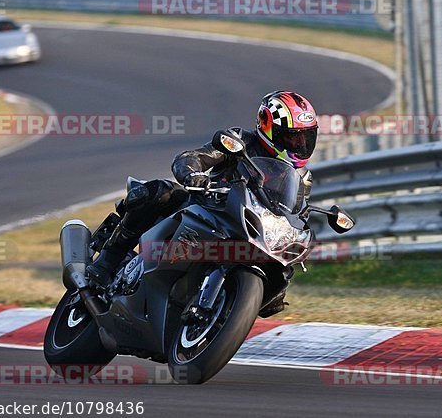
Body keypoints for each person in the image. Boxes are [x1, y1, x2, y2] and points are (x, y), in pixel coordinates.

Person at [85, 90, 319, 294]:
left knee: (282, 272)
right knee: (159, 192)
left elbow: (295, 214)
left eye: (305, 137)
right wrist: (192, 174)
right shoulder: (240, 141)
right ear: (269, 127)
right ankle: (108, 259)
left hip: (250, 229)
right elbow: (193, 157)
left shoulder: (302, 179)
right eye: (292, 136)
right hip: (207, 208)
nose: (299, 144)